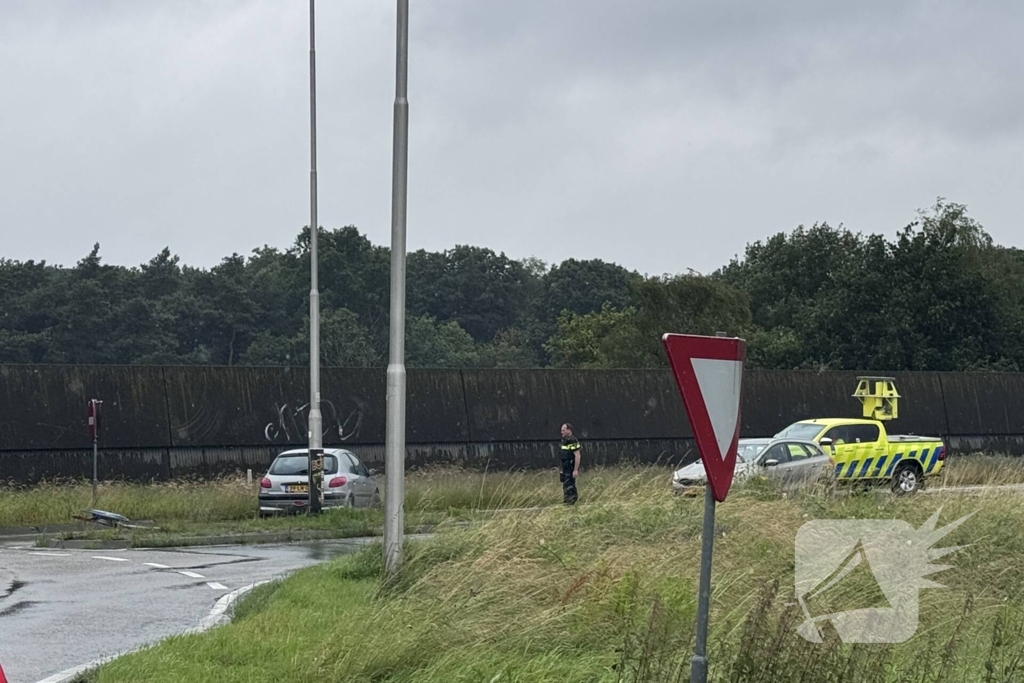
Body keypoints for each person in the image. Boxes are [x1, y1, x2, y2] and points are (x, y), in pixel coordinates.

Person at [559, 423, 581, 505]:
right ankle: (567, 503)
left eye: (563, 430)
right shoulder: (564, 441)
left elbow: (577, 455)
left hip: (570, 468)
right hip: (565, 468)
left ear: (569, 430)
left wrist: (575, 470)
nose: (561, 432)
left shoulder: (573, 440)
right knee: (565, 486)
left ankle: (571, 503)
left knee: (570, 486)